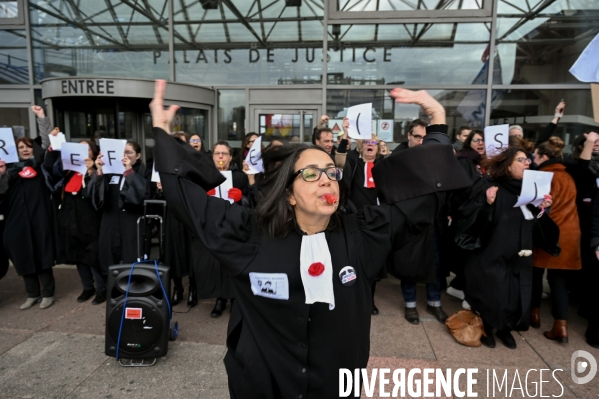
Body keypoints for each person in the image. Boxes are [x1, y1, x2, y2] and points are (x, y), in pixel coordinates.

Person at [151, 80, 469, 398]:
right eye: (311, 174)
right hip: (263, 386)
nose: (326, 181)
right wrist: (162, 134)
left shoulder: (361, 235)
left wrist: (438, 121)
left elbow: (426, 199)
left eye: (332, 173)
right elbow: (188, 202)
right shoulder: (250, 233)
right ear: (289, 194)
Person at [460, 147, 553, 349]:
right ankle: (487, 327)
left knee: (516, 294)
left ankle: (505, 329)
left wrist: (543, 209)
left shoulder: (533, 192)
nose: (527, 162)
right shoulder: (492, 187)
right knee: (492, 292)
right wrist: (488, 204)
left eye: (528, 159)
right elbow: (470, 220)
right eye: (521, 160)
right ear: (508, 165)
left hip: (520, 253)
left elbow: (537, 226)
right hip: (493, 251)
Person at [3, 107, 56, 309]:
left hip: (39, 217)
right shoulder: (8, 171)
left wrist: (42, 118)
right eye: (21, 148)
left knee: (42, 254)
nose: (25, 150)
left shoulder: (40, 165)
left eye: (28, 147)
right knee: (22, 254)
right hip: (17, 220)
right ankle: (32, 294)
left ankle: (49, 293)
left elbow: (46, 143)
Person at [43, 133, 105, 305]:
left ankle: (101, 289)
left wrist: (92, 170)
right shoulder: (68, 171)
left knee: (93, 254)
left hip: (89, 218)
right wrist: (53, 147)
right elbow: (50, 171)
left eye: (87, 148)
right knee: (77, 254)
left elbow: (97, 193)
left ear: (93, 152)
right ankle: (87, 287)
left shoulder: (99, 169)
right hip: (70, 217)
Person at [531, 137, 581, 343]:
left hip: (548, 233)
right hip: (569, 235)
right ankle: (561, 326)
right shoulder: (568, 176)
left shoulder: (542, 176)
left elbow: (537, 207)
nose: (532, 158)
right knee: (558, 282)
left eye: (535, 155)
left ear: (544, 157)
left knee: (535, 274)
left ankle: (532, 314)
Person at [194, 140, 249, 317]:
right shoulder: (205, 177)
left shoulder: (240, 177)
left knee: (232, 263)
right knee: (216, 263)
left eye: (224, 153)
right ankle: (220, 299)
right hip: (213, 226)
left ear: (230, 157)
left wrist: (241, 199)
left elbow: (252, 204)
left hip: (233, 227)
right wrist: (205, 198)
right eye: (217, 153)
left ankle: (234, 299)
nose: (220, 157)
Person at [90, 140, 152, 290]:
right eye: (122, 153)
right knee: (110, 255)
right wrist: (98, 171)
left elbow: (144, 194)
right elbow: (96, 197)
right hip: (111, 222)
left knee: (132, 258)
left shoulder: (144, 171)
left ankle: (134, 290)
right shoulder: (110, 171)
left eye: (129, 152)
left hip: (132, 222)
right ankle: (114, 291)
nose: (125, 156)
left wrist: (129, 171)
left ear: (138, 156)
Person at [336, 130, 385, 314]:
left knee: (373, 264)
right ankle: (351, 299)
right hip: (355, 220)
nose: (370, 144)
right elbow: (339, 164)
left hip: (377, 222)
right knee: (353, 262)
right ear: (361, 146)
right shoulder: (353, 163)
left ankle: (369, 301)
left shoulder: (384, 165)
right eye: (366, 142)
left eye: (374, 142)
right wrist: (344, 140)